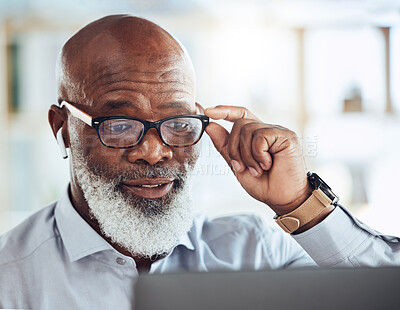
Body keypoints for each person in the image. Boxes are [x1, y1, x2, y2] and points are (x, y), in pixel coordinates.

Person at [0, 14, 399, 309]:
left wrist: (299, 202)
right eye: (119, 125)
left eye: (178, 123)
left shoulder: (254, 252)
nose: (154, 151)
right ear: (62, 128)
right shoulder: (10, 280)